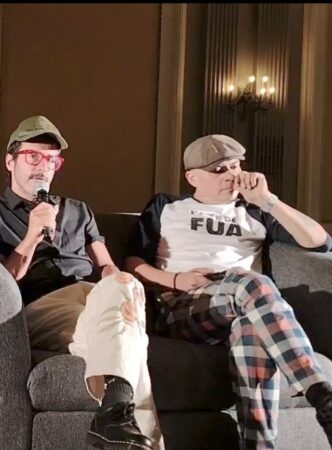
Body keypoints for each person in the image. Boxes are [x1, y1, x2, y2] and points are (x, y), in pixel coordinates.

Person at [125, 134, 332, 449]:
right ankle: (321, 394)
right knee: (253, 282)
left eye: (235, 166)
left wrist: (268, 200)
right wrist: (176, 279)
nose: (232, 175)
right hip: (186, 305)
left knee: (251, 333)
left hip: (247, 308)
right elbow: (133, 263)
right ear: (193, 177)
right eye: (219, 170)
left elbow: (320, 242)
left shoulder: (254, 212)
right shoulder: (166, 206)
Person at [0, 115, 162, 449]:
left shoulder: (77, 210)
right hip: (41, 305)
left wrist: (123, 284)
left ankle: (114, 418)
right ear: (10, 161)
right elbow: (0, 284)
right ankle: (115, 414)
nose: (43, 166)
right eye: (33, 156)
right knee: (129, 334)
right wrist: (32, 234)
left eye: (51, 159)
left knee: (124, 290)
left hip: (93, 295)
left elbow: (106, 265)